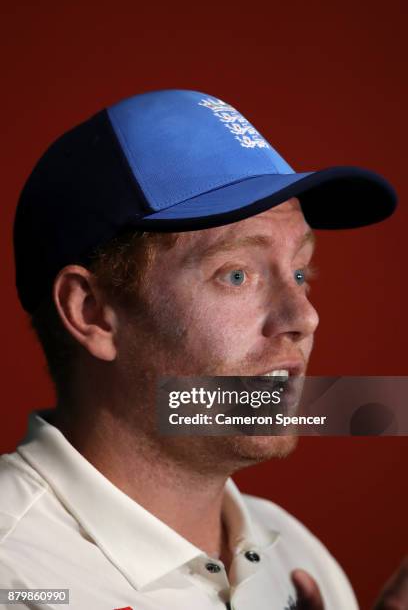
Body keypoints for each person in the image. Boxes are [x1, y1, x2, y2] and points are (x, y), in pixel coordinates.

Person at [0, 90, 405, 609]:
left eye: (301, 272)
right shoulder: (17, 576)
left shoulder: (299, 555)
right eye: (237, 274)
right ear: (92, 313)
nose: (304, 317)